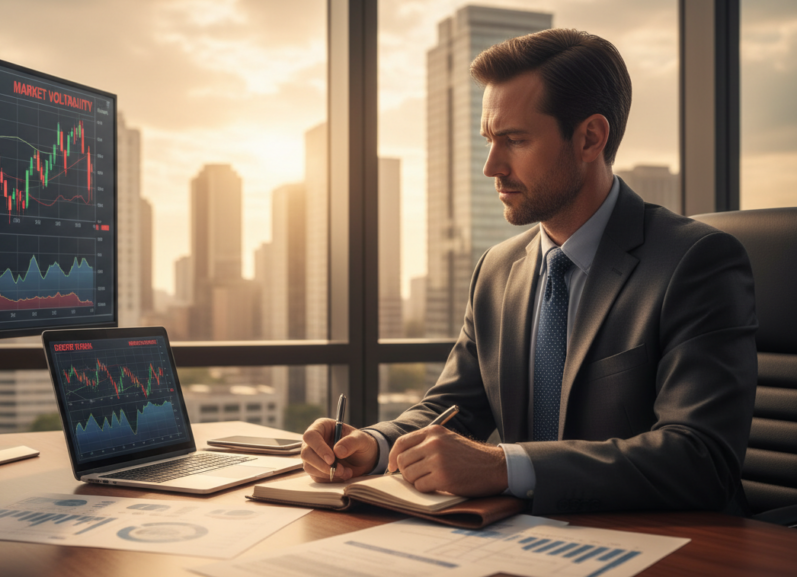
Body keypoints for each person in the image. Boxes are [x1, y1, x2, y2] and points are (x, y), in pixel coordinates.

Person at [300, 28, 758, 515]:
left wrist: (503, 466)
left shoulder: (697, 263)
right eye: (489, 141)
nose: (491, 166)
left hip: (662, 546)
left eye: (514, 140)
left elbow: (701, 458)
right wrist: (374, 445)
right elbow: (453, 408)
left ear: (589, 138)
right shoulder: (498, 270)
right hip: (518, 542)